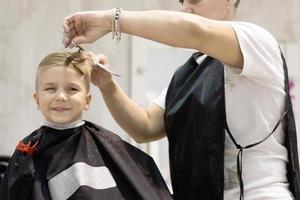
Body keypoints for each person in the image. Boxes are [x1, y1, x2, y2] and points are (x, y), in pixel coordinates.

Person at [62, 0, 300, 199]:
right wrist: (107, 85)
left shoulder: (257, 41)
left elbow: (195, 31)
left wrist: (109, 19)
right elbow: (145, 126)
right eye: (182, 1)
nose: (185, 7)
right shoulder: (188, 75)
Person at [0, 48, 172, 200]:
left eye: (72, 89)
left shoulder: (107, 146)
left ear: (87, 100)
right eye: (50, 88)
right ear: (37, 99)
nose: (60, 96)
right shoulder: (26, 151)